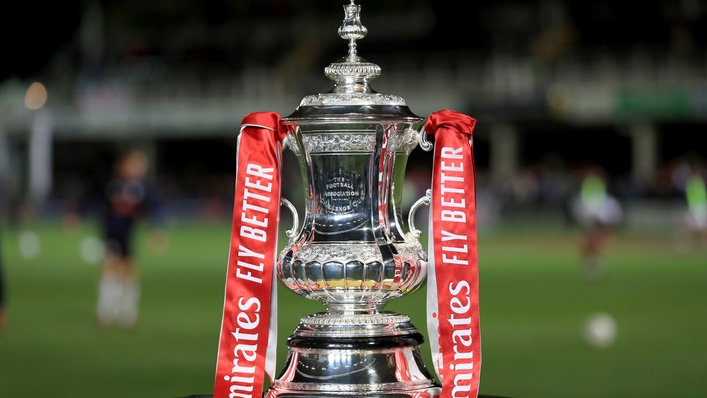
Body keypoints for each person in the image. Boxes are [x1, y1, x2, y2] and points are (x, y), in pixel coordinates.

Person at [95, 150, 166, 329]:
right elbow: (100, 209)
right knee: (111, 273)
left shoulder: (141, 188)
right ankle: (106, 314)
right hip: (112, 236)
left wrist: (156, 231)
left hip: (128, 237)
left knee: (130, 275)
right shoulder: (113, 186)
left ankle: (127, 315)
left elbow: (153, 209)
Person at [570, 170, 623, 280]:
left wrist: (602, 231)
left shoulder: (608, 202)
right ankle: (592, 265)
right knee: (588, 245)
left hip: (600, 230)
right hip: (589, 229)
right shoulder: (580, 201)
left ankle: (593, 265)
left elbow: (610, 223)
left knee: (595, 245)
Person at [676, 169, 707, 251]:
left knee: (701, 227)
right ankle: (687, 242)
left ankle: (704, 242)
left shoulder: (695, 183)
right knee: (686, 224)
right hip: (694, 206)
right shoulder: (697, 182)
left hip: (698, 207)